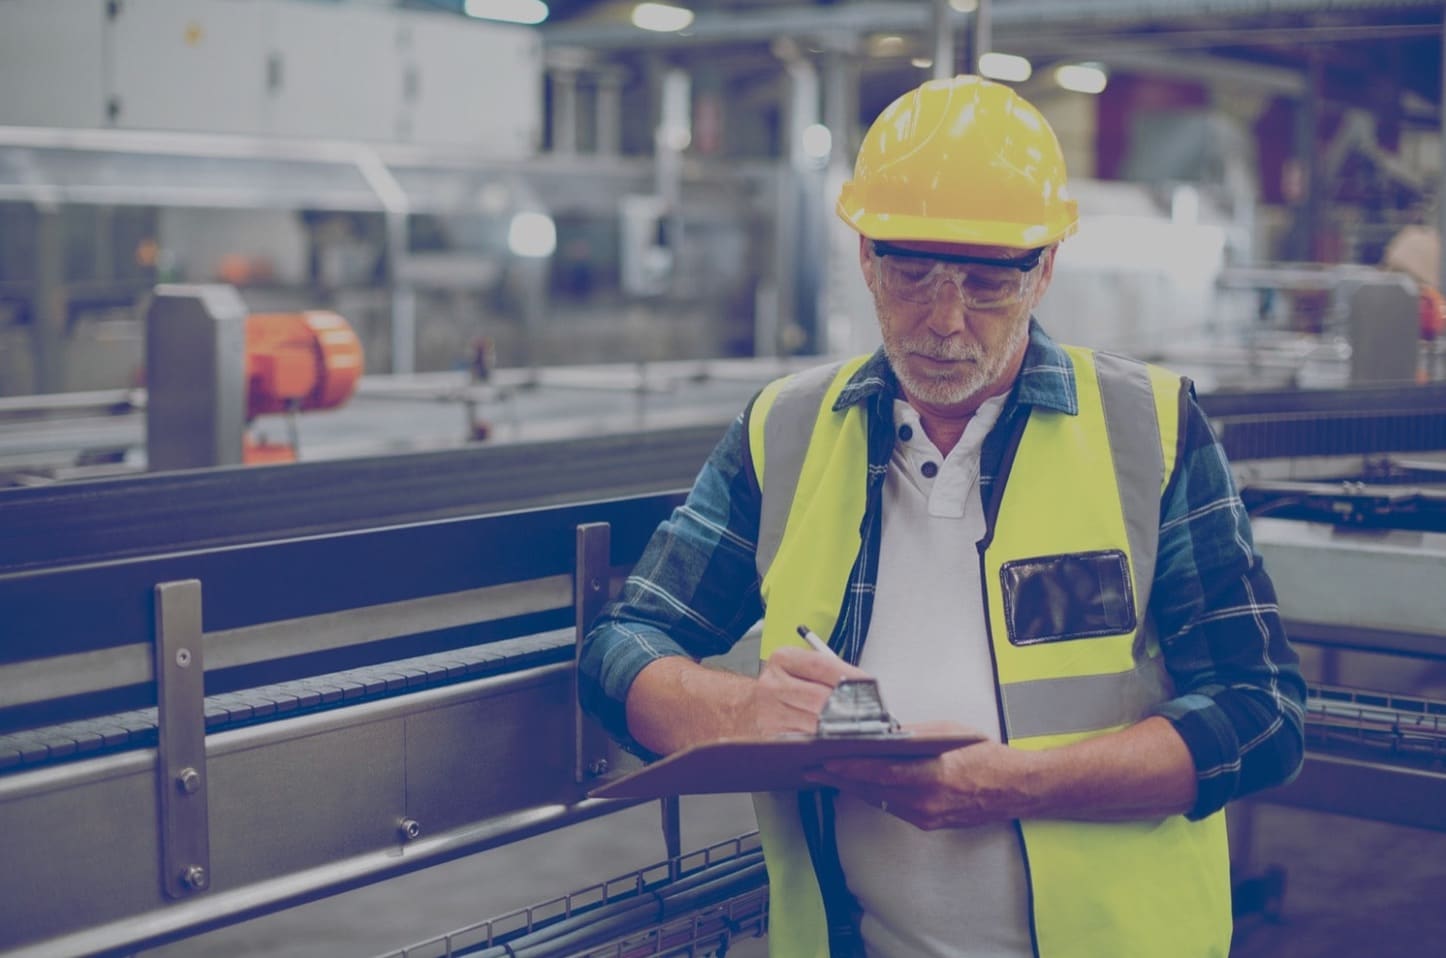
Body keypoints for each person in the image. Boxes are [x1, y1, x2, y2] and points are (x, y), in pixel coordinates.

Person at [579, 75, 1305, 958]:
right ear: (864, 257)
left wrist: (1016, 786)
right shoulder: (789, 428)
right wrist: (733, 714)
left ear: (1044, 270)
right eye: (912, 273)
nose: (944, 320)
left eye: (986, 283)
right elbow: (623, 646)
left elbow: (1261, 714)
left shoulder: (1147, 431)